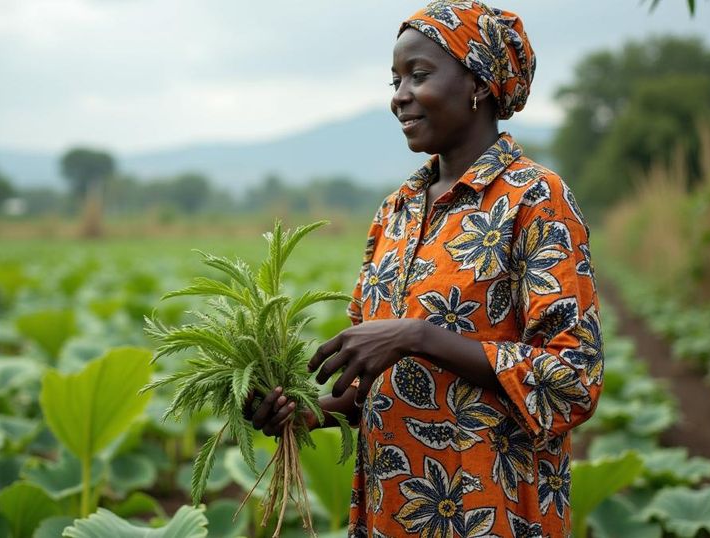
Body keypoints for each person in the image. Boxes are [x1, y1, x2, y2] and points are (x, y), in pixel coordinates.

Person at [245, 1, 603, 536]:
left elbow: (574, 379)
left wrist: (418, 335)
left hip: (491, 509)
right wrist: (305, 413)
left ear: (478, 83)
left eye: (419, 75)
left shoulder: (536, 199)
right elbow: (373, 386)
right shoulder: (395, 211)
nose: (399, 96)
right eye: (395, 80)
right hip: (395, 510)